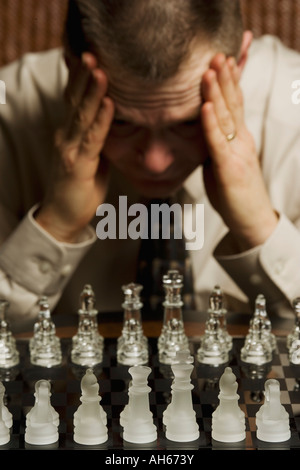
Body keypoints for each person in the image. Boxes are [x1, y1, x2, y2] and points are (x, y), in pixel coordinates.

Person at [0, 0, 300, 333]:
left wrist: (259, 227)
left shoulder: (292, 115)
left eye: (186, 124)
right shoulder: (9, 116)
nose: (156, 162)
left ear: (240, 62)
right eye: (123, 122)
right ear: (71, 67)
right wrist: (55, 224)